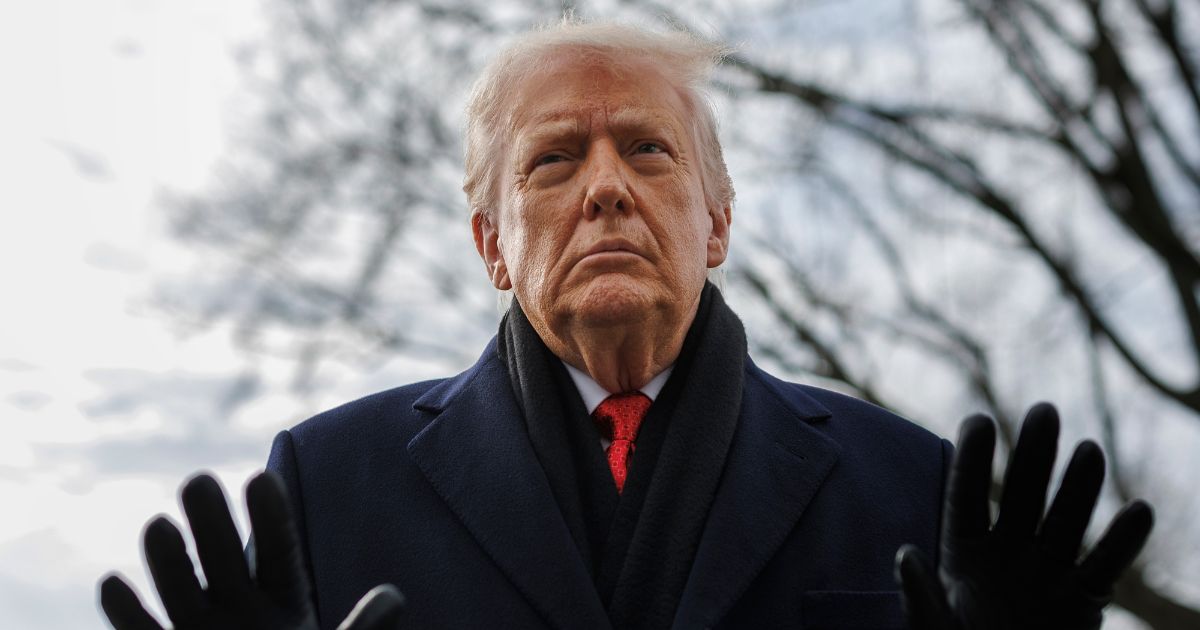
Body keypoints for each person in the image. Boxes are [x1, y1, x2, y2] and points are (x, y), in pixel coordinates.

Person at [99, 19, 1153, 630]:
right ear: (491, 246)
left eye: (648, 151)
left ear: (718, 222)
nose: (605, 188)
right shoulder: (329, 487)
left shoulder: (910, 487)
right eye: (554, 160)